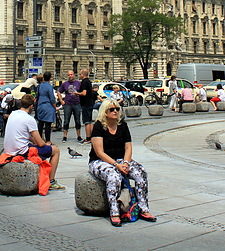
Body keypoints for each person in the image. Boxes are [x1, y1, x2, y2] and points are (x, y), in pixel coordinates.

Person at [89, 98, 157, 227]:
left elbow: (128, 147)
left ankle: (143, 208)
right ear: (105, 112)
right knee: (113, 176)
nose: (115, 111)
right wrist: (116, 165)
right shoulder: (98, 126)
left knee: (140, 172)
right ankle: (114, 212)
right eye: (112, 109)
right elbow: (99, 152)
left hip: (120, 160)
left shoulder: (122, 125)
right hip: (100, 161)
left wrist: (126, 163)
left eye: (117, 109)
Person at [3, 94, 65, 190]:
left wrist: (34, 142)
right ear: (32, 106)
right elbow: (40, 143)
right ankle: (51, 181)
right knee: (55, 151)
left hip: (9, 148)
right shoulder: (29, 119)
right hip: (22, 151)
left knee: (41, 148)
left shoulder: (13, 114)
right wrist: (47, 144)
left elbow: (25, 134)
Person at [57, 70, 82, 143]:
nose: (70, 76)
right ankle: (65, 136)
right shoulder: (65, 84)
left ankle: (79, 136)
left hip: (77, 104)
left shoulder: (78, 83)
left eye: (71, 74)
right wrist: (61, 101)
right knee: (66, 121)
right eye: (68, 75)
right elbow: (59, 92)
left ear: (74, 75)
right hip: (68, 104)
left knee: (77, 121)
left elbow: (82, 92)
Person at [36, 72, 58, 142]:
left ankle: (39, 140)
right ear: (50, 78)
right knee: (48, 124)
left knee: (40, 123)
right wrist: (55, 107)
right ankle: (48, 141)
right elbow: (52, 99)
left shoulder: (39, 86)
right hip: (48, 106)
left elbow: (37, 96)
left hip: (40, 106)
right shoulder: (49, 86)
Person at [76, 69, 95, 144]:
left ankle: (88, 138)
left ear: (83, 75)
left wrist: (77, 93)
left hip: (85, 104)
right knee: (90, 121)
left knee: (86, 121)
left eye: (80, 74)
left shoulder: (84, 82)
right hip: (90, 103)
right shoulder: (89, 82)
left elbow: (84, 93)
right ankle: (92, 137)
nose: (79, 75)